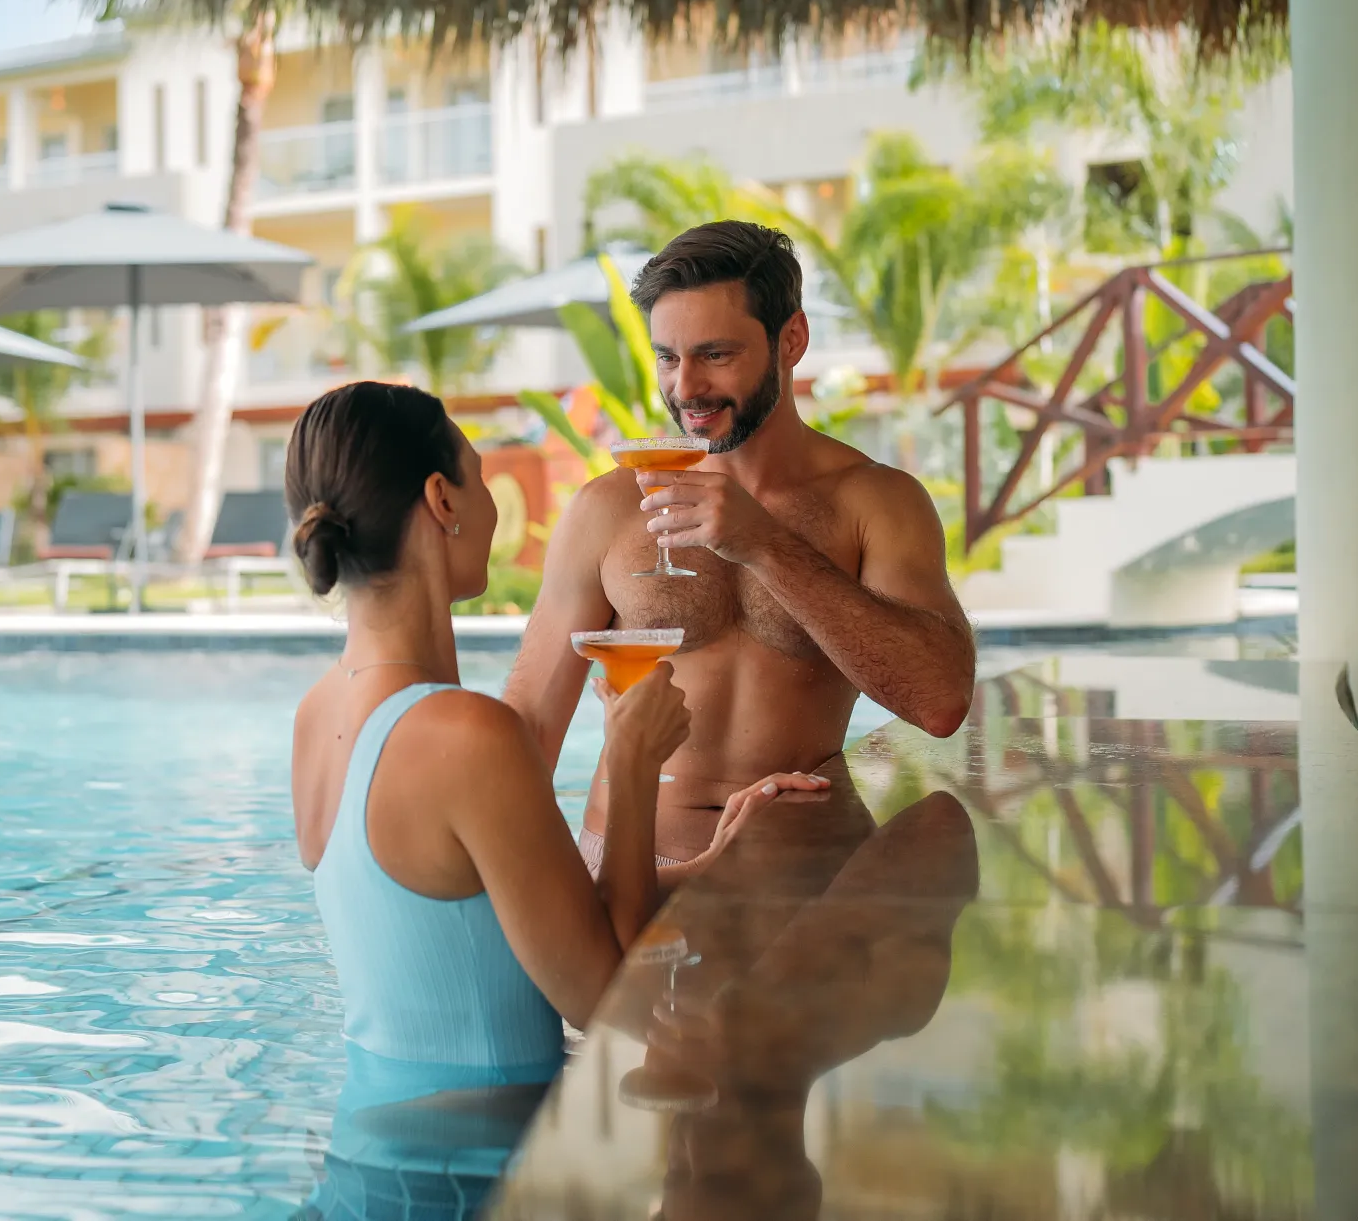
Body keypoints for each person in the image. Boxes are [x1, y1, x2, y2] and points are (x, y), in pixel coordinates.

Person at [287, 381, 819, 1084]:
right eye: (480, 477)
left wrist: (713, 863)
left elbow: (476, 925)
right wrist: (631, 761)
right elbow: (614, 1002)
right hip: (478, 1174)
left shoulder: (315, 716)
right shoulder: (470, 735)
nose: (490, 502)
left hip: (373, 1157)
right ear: (442, 500)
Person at [505, 220, 976, 886]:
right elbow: (526, 736)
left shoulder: (875, 503)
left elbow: (940, 702)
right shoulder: (607, 509)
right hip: (627, 876)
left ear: (792, 340)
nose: (685, 386)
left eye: (715, 354)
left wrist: (765, 544)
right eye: (668, 357)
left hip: (798, 883)